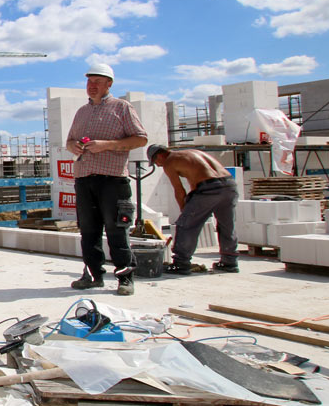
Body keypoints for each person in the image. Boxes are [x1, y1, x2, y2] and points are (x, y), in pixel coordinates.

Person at [65, 62, 147, 296]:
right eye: (89, 81)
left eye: (97, 82)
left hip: (112, 180)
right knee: (88, 230)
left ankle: (125, 278)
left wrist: (107, 146)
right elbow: (69, 141)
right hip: (84, 178)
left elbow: (140, 139)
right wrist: (76, 147)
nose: (92, 86)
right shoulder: (82, 112)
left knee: (116, 231)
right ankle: (92, 276)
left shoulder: (122, 108)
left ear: (109, 84)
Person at [147, 144, 239, 274]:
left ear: (160, 155)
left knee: (185, 226)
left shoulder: (169, 161)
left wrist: (184, 213)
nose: (158, 165)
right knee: (227, 225)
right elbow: (199, 177)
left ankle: (181, 263)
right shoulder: (192, 152)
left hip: (208, 189)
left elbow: (179, 190)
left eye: (156, 162)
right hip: (229, 185)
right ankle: (230, 261)